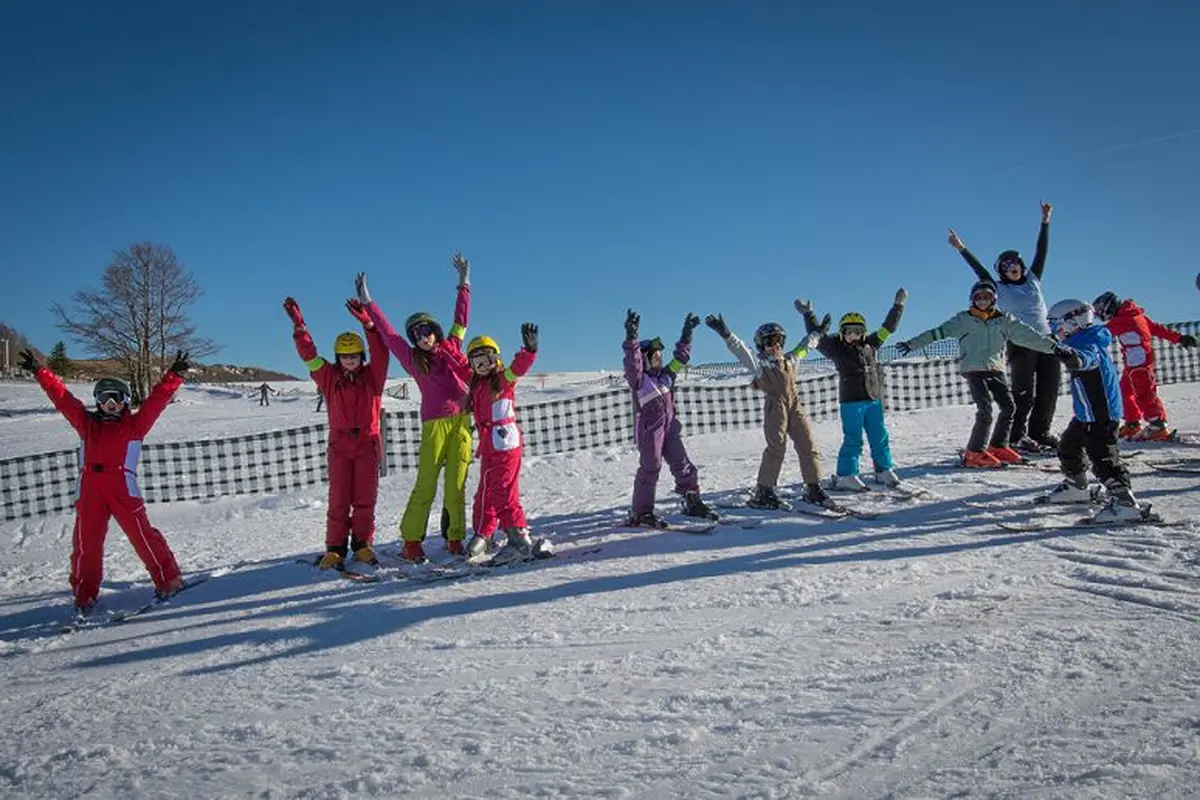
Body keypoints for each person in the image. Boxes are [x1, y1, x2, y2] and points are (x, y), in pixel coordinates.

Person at [21, 347, 188, 613]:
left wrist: (173, 376)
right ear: (97, 401)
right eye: (105, 398)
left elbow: (156, 401)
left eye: (117, 398)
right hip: (90, 489)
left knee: (142, 536)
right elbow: (63, 398)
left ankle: (169, 579)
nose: (111, 404)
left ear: (125, 401)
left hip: (122, 485)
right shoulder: (87, 424)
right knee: (86, 543)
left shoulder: (135, 425)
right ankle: (85, 593)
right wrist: (41, 372)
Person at [360, 254, 472, 562]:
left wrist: (464, 283)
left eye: (426, 331)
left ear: (434, 331)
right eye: (417, 335)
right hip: (434, 425)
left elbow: (461, 318)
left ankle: (455, 538)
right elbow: (389, 334)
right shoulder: (411, 359)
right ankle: (411, 540)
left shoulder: (453, 346)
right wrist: (368, 303)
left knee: (456, 485)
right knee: (426, 484)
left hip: (462, 422)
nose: (422, 338)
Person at [897, 281, 1061, 468]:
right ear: (972, 299)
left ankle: (998, 446)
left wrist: (1052, 348)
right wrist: (912, 344)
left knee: (1009, 408)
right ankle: (974, 452)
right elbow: (937, 333)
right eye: (978, 297)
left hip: (995, 369)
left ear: (994, 299)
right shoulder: (963, 320)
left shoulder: (1004, 320)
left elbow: (1028, 336)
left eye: (987, 297)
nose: (983, 300)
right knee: (985, 411)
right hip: (974, 369)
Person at [283, 287, 389, 571]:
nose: (350, 360)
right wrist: (299, 327)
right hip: (340, 446)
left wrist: (368, 325)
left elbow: (381, 352)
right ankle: (335, 548)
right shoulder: (328, 378)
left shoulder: (373, 377)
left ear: (361, 356)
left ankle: (363, 544)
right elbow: (309, 356)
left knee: (365, 498)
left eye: (354, 355)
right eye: (344, 356)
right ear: (338, 358)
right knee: (339, 498)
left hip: (367, 444)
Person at [948, 201, 1060, 453]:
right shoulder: (998, 288)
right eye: (1006, 266)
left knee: (1049, 391)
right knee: (1024, 394)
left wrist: (1045, 220)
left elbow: (1042, 252)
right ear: (1001, 271)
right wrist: (961, 248)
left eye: (1015, 263)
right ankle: (1016, 437)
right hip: (1020, 343)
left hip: (1047, 340)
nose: (1013, 268)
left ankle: (1040, 432)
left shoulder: (1033, 281)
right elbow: (979, 271)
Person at [704, 311, 834, 509]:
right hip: (776, 407)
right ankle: (764, 490)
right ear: (761, 345)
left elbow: (806, 346)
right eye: (769, 342)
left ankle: (813, 487)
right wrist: (726, 333)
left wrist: (818, 333)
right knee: (776, 447)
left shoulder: (791, 359)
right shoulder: (760, 365)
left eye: (779, 340)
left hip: (795, 404)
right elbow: (740, 350)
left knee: (808, 444)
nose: (776, 346)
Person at [1037, 299, 1148, 523]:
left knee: (1103, 457)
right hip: (1086, 414)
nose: (1054, 330)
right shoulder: (1078, 339)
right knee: (1069, 446)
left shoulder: (1089, 342)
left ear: (1073, 321)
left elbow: (1089, 359)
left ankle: (1125, 503)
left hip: (1102, 414)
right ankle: (1077, 487)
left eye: (1055, 324)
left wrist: (1075, 359)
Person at [799, 289, 907, 490]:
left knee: (879, 436)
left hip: (873, 399)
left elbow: (888, 328)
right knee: (853, 439)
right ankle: (846, 475)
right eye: (848, 332)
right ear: (842, 333)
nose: (853, 335)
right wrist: (808, 315)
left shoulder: (871, 344)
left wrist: (898, 306)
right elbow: (817, 337)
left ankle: (883, 469)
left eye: (857, 331)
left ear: (863, 332)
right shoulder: (836, 348)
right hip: (851, 402)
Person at [456, 325, 547, 562]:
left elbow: (519, 368)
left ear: (495, 359)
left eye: (486, 359)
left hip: (506, 444)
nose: (482, 365)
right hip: (489, 445)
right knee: (485, 491)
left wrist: (529, 350)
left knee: (503, 491)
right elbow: (455, 361)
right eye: (476, 361)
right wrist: (445, 347)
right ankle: (484, 533)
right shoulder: (476, 385)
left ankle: (518, 538)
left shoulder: (503, 380)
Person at [622, 310, 715, 528]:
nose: (658, 359)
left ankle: (691, 498)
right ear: (644, 359)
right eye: (653, 357)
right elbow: (632, 363)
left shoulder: (667, 375)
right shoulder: (639, 381)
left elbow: (681, 358)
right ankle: (641, 513)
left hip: (670, 429)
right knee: (650, 468)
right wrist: (631, 338)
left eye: (659, 357)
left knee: (682, 463)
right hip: (649, 432)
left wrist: (687, 334)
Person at [1092, 291, 1198, 441]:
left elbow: (1102, 333)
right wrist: (1180, 338)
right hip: (1134, 364)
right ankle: (1132, 423)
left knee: (1144, 393)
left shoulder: (1123, 320)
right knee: (1124, 391)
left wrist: (1079, 337)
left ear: (1108, 307)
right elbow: (1157, 328)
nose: (1101, 316)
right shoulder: (1134, 315)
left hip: (1139, 365)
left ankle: (1157, 425)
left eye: (1101, 312)